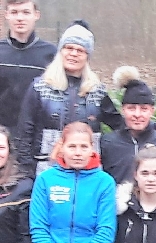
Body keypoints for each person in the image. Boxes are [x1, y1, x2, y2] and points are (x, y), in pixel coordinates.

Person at [14, 21, 120, 172]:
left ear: (87, 56)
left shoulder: (97, 91)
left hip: (88, 172)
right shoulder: (40, 87)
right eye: (69, 48)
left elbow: (121, 124)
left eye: (80, 50)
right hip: (47, 169)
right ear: (60, 51)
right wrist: (27, 171)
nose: (74, 54)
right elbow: (25, 133)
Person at [0, 0, 57, 131]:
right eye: (14, 12)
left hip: (37, 133)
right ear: (6, 15)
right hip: (0, 133)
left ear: (36, 15)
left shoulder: (51, 53)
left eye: (26, 12)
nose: (20, 18)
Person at [100, 67, 156, 182]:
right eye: (131, 108)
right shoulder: (107, 144)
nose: (137, 114)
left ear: (152, 111)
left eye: (144, 109)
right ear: (123, 110)